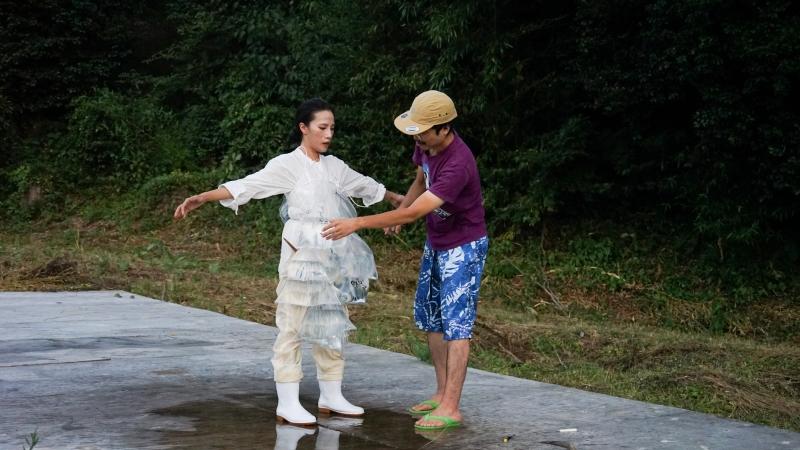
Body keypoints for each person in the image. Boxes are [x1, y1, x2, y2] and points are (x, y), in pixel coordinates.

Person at [174, 98, 403, 426]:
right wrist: (204, 197)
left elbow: (365, 184)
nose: (328, 135)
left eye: (332, 129)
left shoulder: (333, 166)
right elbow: (249, 184)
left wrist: (396, 198)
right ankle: (288, 401)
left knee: (331, 321)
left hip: (332, 250)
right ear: (303, 128)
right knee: (292, 324)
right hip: (300, 249)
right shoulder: (288, 165)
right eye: (322, 128)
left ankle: (331, 393)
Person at [322, 90, 488, 431]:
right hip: (437, 241)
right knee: (431, 318)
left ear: (444, 128)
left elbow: (416, 212)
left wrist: (358, 222)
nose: (418, 138)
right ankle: (441, 394)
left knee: (457, 325)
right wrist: (399, 211)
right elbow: (419, 180)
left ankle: (452, 408)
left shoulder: (458, 162)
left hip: (464, 246)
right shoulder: (425, 144)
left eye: (424, 131)